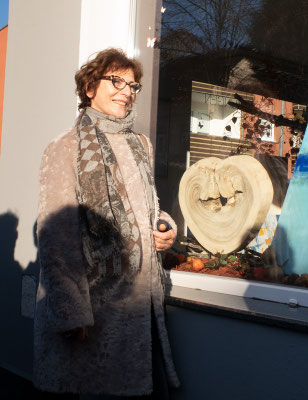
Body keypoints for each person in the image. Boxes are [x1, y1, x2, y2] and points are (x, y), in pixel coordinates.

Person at [33, 48, 180, 398]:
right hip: (94, 308)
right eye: (116, 81)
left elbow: (146, 206)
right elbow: (56, 237)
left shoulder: (141, 144)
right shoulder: (65, 147)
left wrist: (164, 226)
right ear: (89, 87)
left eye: (133, 85)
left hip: (140, 303)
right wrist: (72, 312)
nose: (127, 91)